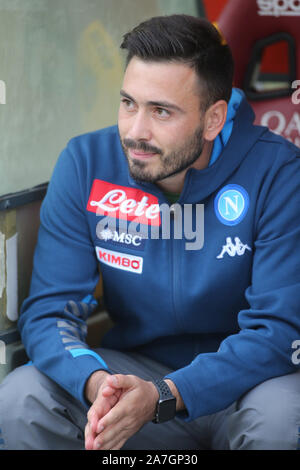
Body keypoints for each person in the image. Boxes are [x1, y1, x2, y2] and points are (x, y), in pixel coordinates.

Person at [1, 14, 300, 451]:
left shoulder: (277, 172)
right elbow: (50, 312)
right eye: (128, 103)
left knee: (282, 418)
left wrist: (166, 395)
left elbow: (279, 331)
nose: (136, 131)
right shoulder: (86, 162)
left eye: (161, 111)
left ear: (214, 118)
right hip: (133, 373)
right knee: (22, 396)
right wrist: (97, 383)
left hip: (246, 387)